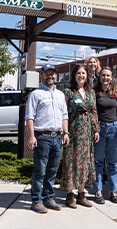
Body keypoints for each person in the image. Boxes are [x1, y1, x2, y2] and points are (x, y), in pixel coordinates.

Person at [26, 63, 70, 213]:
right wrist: (31, 137)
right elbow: (29, 117)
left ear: (55, 75)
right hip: (42, 137)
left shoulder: (60, 95)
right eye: (47, 73)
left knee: (52, 170)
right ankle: (36, 201)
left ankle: (48, 198)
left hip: (57, 138)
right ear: (42, 76)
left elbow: (65, 116)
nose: (50, 76)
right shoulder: (36, 94)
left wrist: (66, 133)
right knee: (40, 171)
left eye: (52, 73)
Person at [60, 64, 100, 209]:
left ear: (87, 76)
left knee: (85, 162)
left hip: (87, 133)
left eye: (83, 73)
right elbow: (63, 114)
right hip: (72, 132)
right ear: (74, 76)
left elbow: (94, 112)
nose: (81, 76)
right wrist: (64, 132)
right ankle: (70, 195)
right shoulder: (68, 92)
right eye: (78, 73)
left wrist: (96, 130)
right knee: (72, 161)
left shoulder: (91, 93)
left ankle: (81, 194)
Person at [93, 66, 117, 204]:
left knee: (113, 163)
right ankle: (98, 191)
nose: (105, 78)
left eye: (108, 75)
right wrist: (94, 129)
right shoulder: (94, 92)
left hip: (114, 130)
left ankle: (113, 191)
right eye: (103, 75)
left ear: (112, 77)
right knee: (98, 162)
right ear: (99, 77)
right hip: (99, 130)